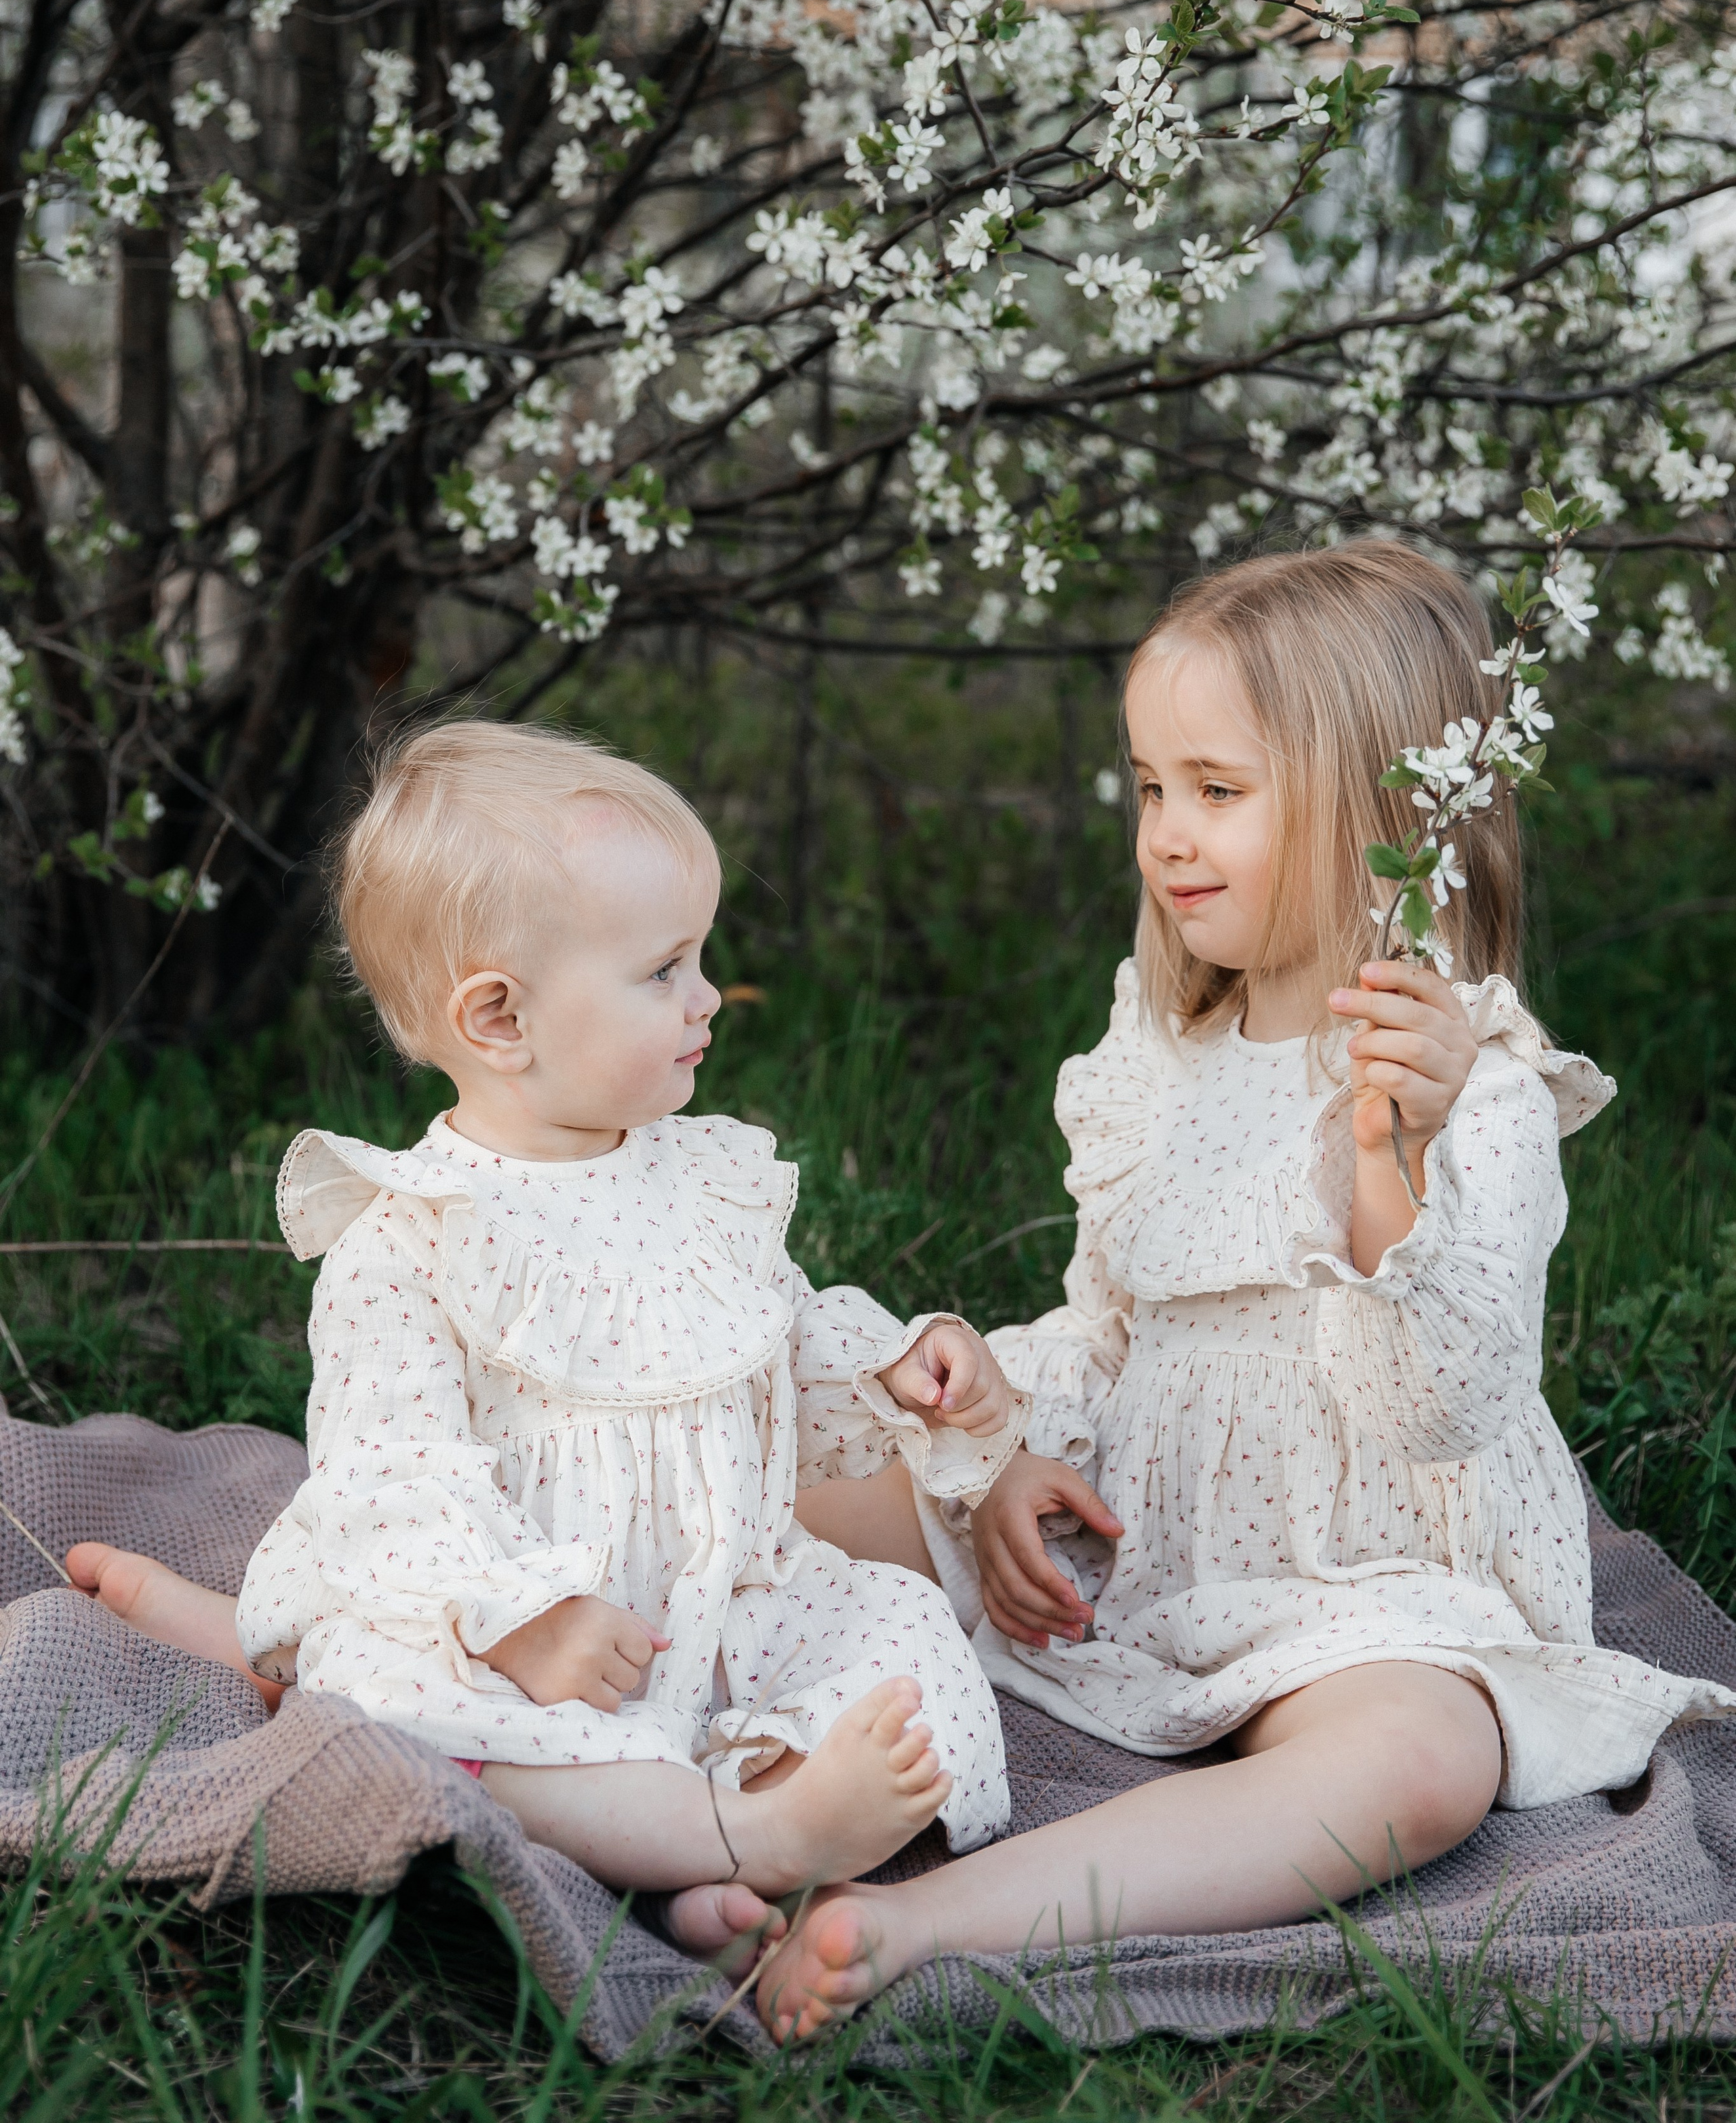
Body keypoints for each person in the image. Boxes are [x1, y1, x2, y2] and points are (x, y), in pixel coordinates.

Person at [744, 541, 1736, 2040]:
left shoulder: (1474, 1086)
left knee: (1421, 1764)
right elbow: (1107, 1325)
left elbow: (1442, 1407)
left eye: (1218, 790)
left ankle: (919, 1921)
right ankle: (534, 1687)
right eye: (1152, 786)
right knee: (775, 1487)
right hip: (1137, 1516)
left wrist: (1392, 1155)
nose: (1167, 835)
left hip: (1358, 1573)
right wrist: (1002, 1459)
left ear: (1381, 815)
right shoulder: (1159, 1050)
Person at [71, 720, 1024, 1967]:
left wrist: (888, 1371)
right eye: (664, 970)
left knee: (903, 1638)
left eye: (700, 959)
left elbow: (769, 1342)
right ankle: (750, 1839)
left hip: (721, 1605)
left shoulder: (703, 1180)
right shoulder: (414, 1238)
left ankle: (706, 1867)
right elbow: (395, 1470)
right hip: (518, 1624)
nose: (707, 998)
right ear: (500, 1019)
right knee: (412, 1702)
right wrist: (523, 1618)